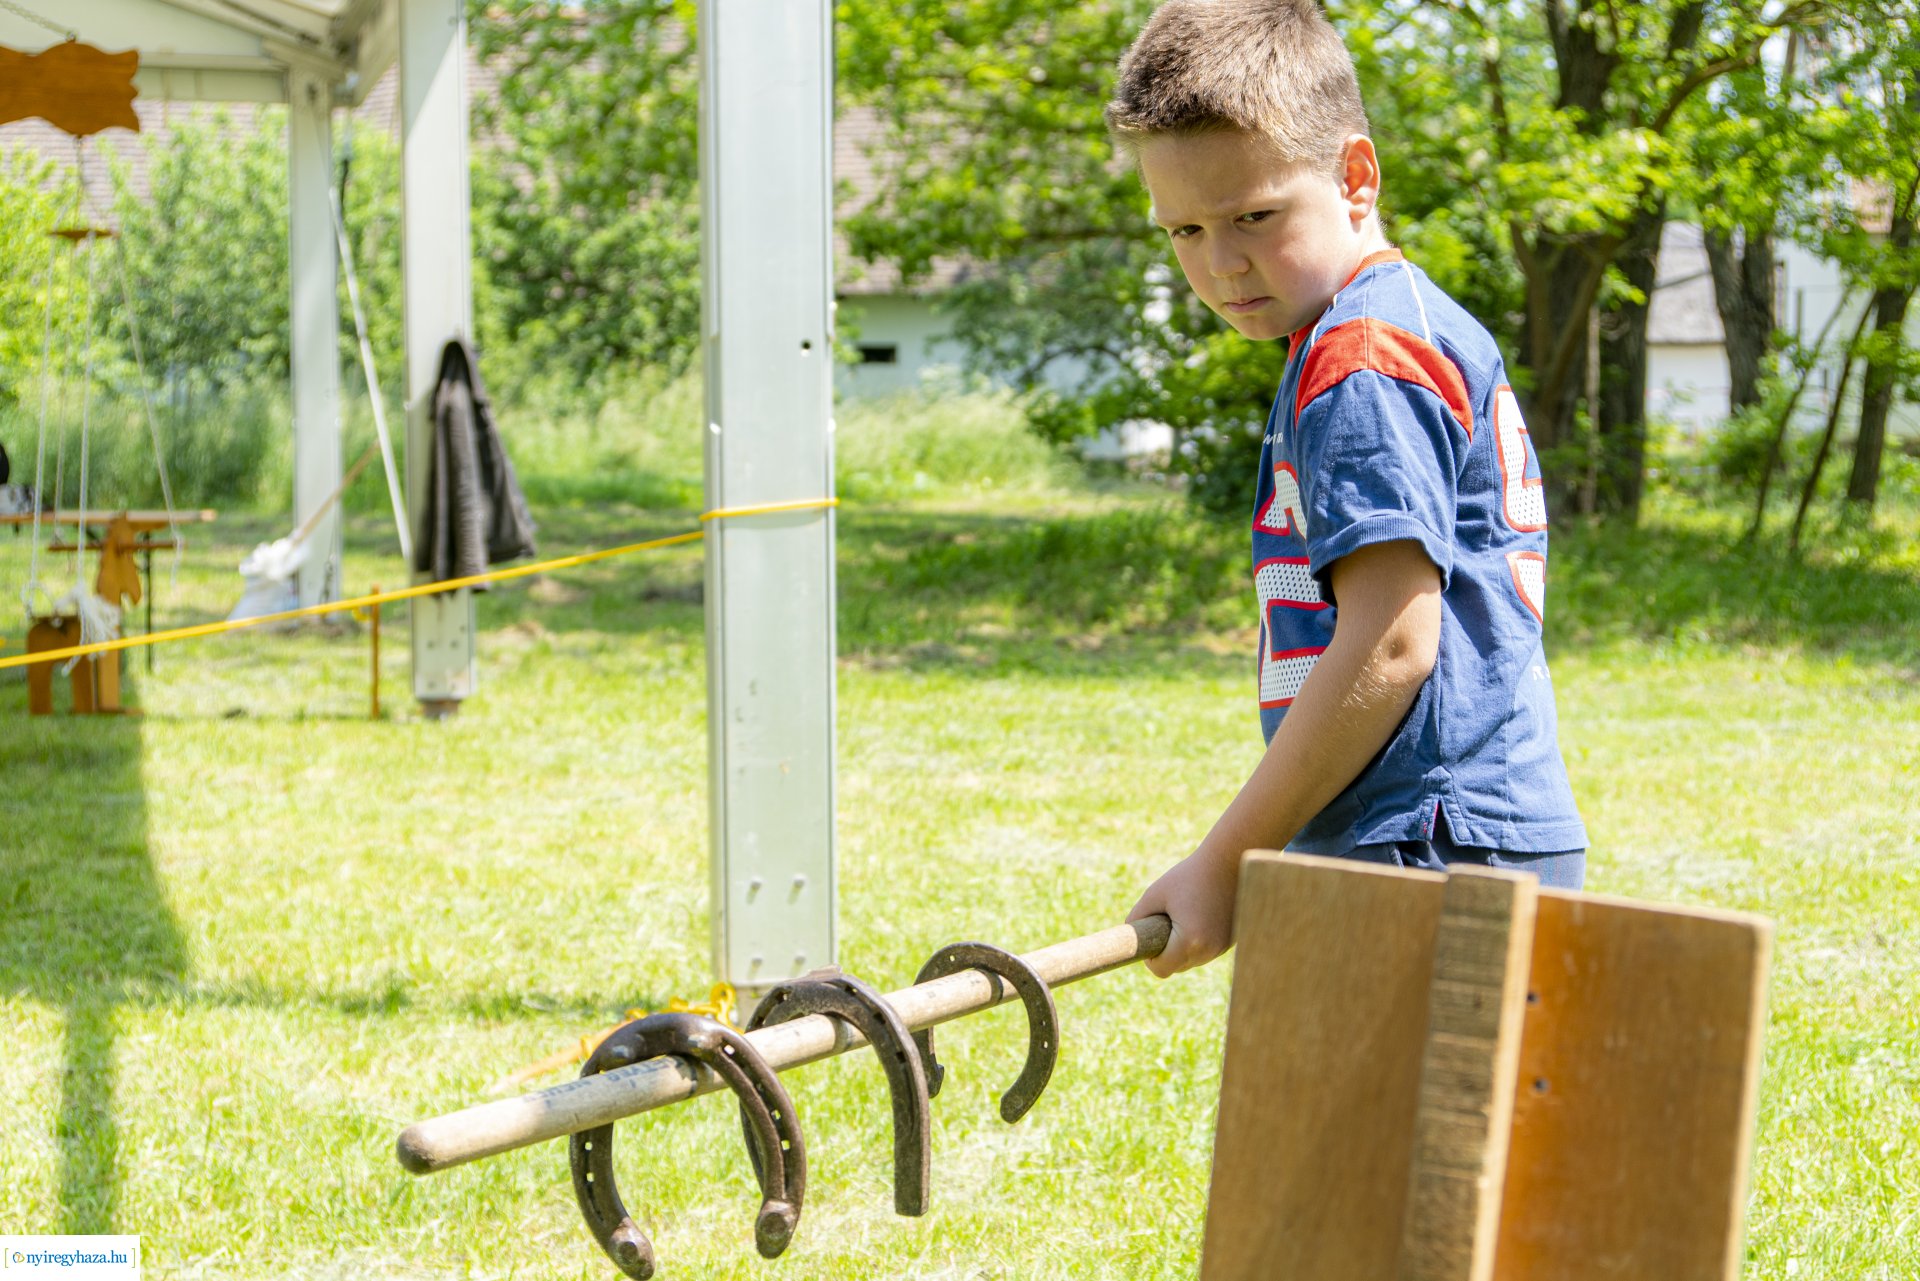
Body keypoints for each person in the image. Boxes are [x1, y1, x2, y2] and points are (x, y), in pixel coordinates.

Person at [1109, 0, 1588, 978]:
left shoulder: (1362, 359)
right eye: (1185, 231)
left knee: (1368, 1138)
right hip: (1441, 834)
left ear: (1356, 176)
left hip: (1425, 847)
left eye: (1254, 216)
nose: (1221, 263)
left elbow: (1396, 641)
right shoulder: (1389, 323)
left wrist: (1226, 861)